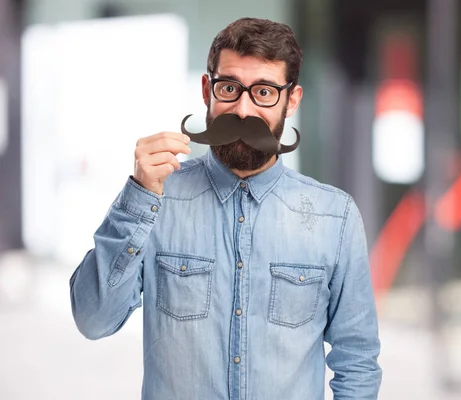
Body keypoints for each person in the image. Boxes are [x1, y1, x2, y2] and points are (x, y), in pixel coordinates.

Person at [69, 17, 382, 400]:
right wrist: (138, 197)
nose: (244, 110)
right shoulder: (154, 200)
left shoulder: (336, 217)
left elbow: (358, 360)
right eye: (230, 88)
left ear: (292, 100)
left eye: (264, 92)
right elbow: (92, 319)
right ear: (207, 90)